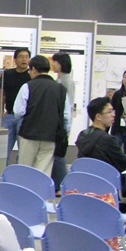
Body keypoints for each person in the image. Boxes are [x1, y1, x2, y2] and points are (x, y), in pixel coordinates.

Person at [13, 55, 70, 176]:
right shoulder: (60, 89)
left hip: (29, 134)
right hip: (50, 136)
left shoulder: (27, 86)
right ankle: (39, 193)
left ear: (33, 69)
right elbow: (66, 116)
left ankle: (24, 193)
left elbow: (18, 112)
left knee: (25, 169)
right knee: (43, 171)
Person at [75, 97, 126, 172]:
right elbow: (123, 164)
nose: (113, 115)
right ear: (98, 117)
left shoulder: (82, 135)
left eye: (113, 111)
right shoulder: (108, 140)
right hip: (107, 179)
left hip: (86, 179)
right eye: (109, 112)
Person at [0, 47, 31, 161]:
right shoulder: (8, 74)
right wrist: (1, 112)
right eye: (21, 56)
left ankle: (19, 173)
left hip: (25, 117)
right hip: (9, 115)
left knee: (24, 150)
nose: (24, 59)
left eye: (26, 57)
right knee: (3, 148)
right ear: (15, 59)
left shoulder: (31, 76)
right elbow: (2, 94)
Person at [50, 53, 75, 191]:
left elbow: (68, 105)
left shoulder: (67, 81)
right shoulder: (59, 80)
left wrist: (66, 127)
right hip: (57, 124)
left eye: (54, 62)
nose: (52, 65)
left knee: (59, 155)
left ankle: (62, 185)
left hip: (62, 125)